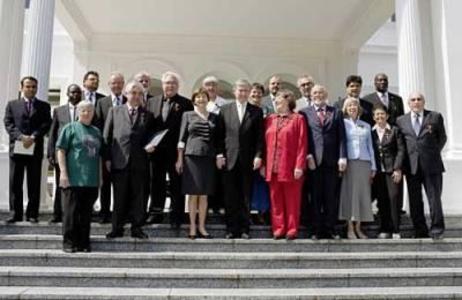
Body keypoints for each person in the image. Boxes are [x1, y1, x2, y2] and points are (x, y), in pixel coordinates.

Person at [104, 81, 156, 239]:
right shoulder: (114, 111)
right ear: (126, 94)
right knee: (119, 196)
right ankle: (117, 228)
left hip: (140, 162)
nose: (136, 96)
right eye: (133, 93)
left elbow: (151, 137)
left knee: (138, 197)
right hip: (119, 161)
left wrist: (151, 146)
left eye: (139, 94)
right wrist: (107, 159)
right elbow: (106, 137)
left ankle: (137, 228)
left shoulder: (148, 115)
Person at [216, 79, 264, 239]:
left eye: (245, 90)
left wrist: (258, 156)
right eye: (240, 90)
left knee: (245, 195)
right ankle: (231, 228)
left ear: (249, 92)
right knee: (230, 196)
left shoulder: (256, 111)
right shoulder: (224, 110)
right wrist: (220, 154)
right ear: (234, 91)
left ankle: (244, 229)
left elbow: (259, 138)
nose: (243, 93)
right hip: (229, 159)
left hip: (248, 160)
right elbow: (219, 136)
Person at [396, 92, 447, 239]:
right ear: (409, 103)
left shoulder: (435, 117)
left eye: (419, 99)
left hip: (432, 165)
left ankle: (437, 228)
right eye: (413, 100)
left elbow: (442, 138)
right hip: (411, 166)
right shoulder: (401, 120)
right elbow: (401, 143)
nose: (416, 102)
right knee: (415, 200)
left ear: (424, 102)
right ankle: (420, 230)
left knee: (434, 198)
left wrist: (431, 153)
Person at [146, 71, 194, 227]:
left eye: (173, 83)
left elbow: (187, 129)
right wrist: (148, 143)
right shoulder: (152, 102)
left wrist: (182, 151)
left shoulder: (186, 103)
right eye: (167, 83)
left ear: (178, 86)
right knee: (156, 182)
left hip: (176, 152)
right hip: (156, 151)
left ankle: (176, 215)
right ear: (162, 85)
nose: (170, 86)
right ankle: (156, 213)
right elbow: (147, 126)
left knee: (176, 183)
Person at [300, 84, 347, 240]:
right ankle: (315, 230)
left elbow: (342, 137)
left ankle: (330, 229)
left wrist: (342, 157)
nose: (317, 95)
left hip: (331, 161)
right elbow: (303, 138)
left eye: (320, 92)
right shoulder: (304, 113)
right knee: (314, 197)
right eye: (315, 93)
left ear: (326, 94)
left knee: (330, 197)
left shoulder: (336, 112)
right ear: (310, 95)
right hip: (313, 161)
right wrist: (307, 156)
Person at [55, 100, 102, 253]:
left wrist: (100, 177)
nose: (87, 113)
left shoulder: (96, 131)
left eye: (89, 110)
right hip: (73, 179)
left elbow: (99, 157)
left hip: (91, 180)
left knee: (86, 214)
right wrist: (63, 173)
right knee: (70, 213)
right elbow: (61, 150)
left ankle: (83, 242)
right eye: (83, 110)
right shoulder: (70, 128)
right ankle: (69, 242)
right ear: (78, 113)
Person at [4, 76, 52, 223]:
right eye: (28, 86)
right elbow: (8, 123)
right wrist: (20, 137)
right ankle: (15, 213)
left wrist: (34, 136)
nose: (31, 89)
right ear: (22, 87)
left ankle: (32, 214)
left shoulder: (44, 106)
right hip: (17, 149)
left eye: (33, 87)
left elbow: (46, 124)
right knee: (15, 183)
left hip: (34, 149)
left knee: (34, 183)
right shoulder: (12, 105)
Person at [264, 90, 307, 240]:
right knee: (276, 199)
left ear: (288, 102)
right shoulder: (270, 119)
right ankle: (279, 228)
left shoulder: (298, 119)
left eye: (279, 101)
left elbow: (302, 144)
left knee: (292, 199)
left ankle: (292, 229)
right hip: (272, 166)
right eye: (275, 102)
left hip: (290, 166)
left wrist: (299, 165)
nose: (276, 104)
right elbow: (264, 144)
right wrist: (264, 164)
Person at [176, 88, 217, 239]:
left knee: (204, 195)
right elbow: (181, 139)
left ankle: (202, 226)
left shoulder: (214, 117)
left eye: (203, 97)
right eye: (198, 97)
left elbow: (217, 139)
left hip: (208, 158)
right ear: (194, 100)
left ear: (208, 99)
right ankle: (192, 226)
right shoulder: (187, 115)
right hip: (191, 157)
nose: (201, 99)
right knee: (193, 194)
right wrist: (179, 159)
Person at [338, 97, 376, 239]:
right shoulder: (342, 123)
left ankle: (358, 227)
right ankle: (349, 227)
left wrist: (373, 166)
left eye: (354, 105)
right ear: (346, 109)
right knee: (349, 194)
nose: (352, 107)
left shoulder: (365, 125)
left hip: (364, 163)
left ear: (359, 108)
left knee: (362, 195)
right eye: (349, 105)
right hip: (350, 163)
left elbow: (370, 147)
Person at [47, 84, 82, 223]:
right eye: (73, 92)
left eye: (78, 92)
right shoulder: (59, 110)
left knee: (77, 186)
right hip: (62, 154)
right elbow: (52, 133)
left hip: (80, 156)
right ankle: (57, 214)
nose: (75, 95)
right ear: (67, 93)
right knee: (61, 184)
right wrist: (51, 153)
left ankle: (75, 214)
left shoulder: (85, 109)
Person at [94, 72, 127, 223]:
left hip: (124, 151)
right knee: (105, 184)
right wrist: (105, 154)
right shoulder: (102, 102)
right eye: (114, 83)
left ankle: (121, 213)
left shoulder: (129, 100)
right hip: (107, 150)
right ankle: (105, 212)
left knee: (122, 185)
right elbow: (100, 128)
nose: (117, 86)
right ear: (109, 85)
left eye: (119, 83)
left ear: (123, 84)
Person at [371, 105, 405, 239]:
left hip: (392, 171)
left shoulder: (394, 130)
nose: (380, 117)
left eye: (382, 114)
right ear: (373, 117)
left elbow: (401, 151)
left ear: (387, 116)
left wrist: (397, 168)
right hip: (378, 172)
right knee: (382, 200)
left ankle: (396, 229)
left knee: (394, 198)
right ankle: (384, 228)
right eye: (377, 115)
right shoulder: (371, 132)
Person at [248, 83, 270, 225]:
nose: (256, 96)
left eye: (259, 93)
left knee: (261, 185)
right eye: (254, 93)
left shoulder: (266, 110)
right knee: (248, 185)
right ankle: (249, 212)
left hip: (262, 151)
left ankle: (262, 212)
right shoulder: (246, 109)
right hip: (247, 152)